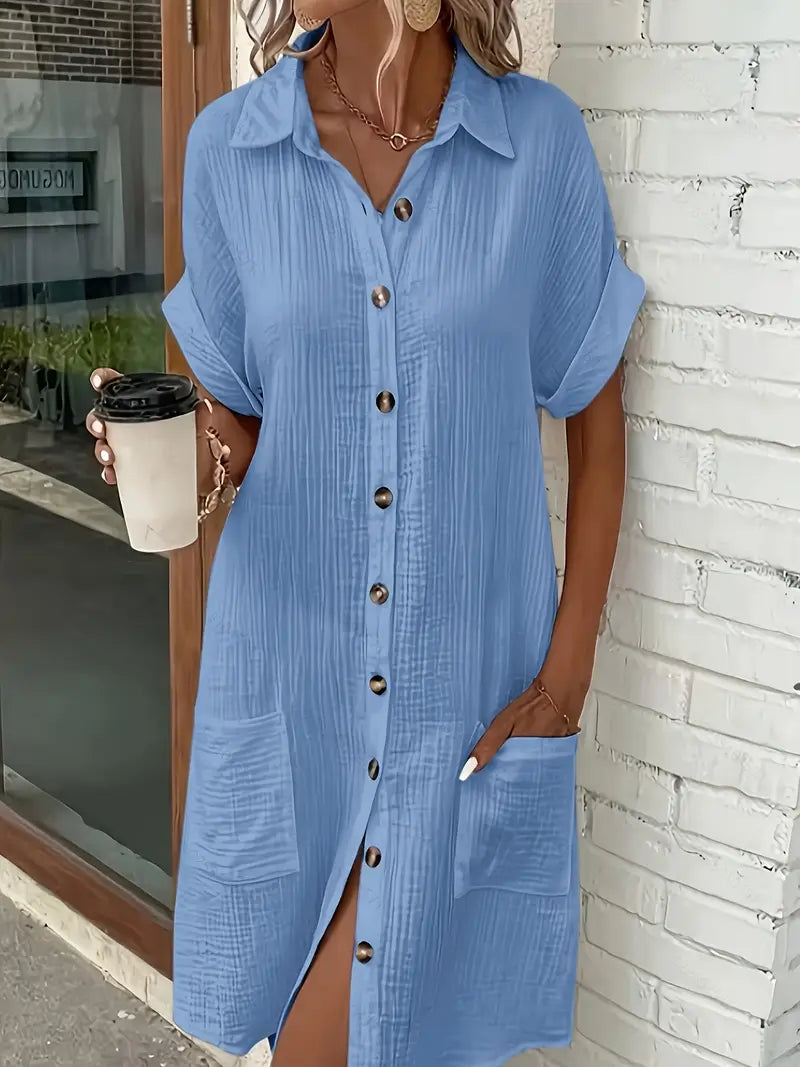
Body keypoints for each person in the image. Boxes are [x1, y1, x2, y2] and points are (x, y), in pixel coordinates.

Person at [87, 0, 646, 1063]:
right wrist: (183, 456)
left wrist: (565, 676)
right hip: (292, 688)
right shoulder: (231, 150)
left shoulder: (537, 147)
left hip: (459, 707)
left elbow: (595, 416)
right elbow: (239, 418)